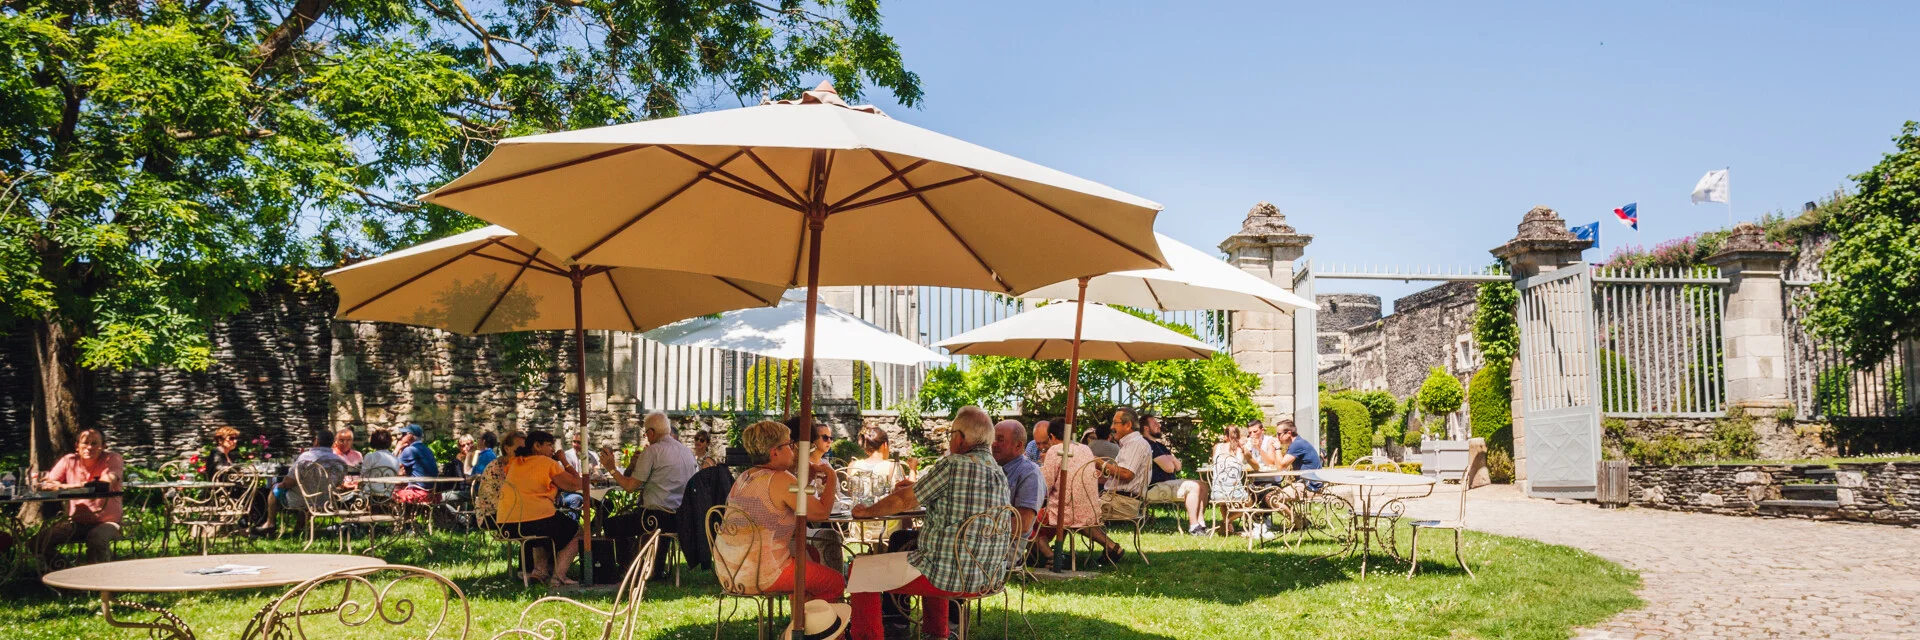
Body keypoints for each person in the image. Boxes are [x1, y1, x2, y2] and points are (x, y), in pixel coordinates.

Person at [847, 407, 1009, 640]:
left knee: (860, 568)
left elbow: (902, 501)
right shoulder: (998, 472)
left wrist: (867, 512)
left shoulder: (953, 464)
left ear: (960, 438)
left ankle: (868, 637)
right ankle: (937, 633)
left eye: (951, 434)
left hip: (947, 577)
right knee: (936, 551)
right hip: (987, 576)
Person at [711, 420, 843, 603]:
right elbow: (821, 513)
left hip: (730, 571)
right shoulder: (780, 478)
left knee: (809, 554)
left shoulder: (745, 476)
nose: (793, 449)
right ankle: (812, 621)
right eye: (789, 444)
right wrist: (832, 476)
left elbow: (782, 503)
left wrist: (804, 481)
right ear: (774, 452)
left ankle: (802, 618)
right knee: (834, 582)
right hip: (762, 574)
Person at [597, 411, 697, 577]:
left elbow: (629, 487)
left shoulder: (653, 451)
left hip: (655, 518)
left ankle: (628, 568)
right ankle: (653, 568)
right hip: (681, 518)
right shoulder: (687, 452)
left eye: (645, 433)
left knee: (612, 525)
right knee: (634, 519)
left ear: (651, 432)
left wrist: (611, 468)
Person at [496, 430, 586, 587]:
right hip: (534, 520)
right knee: (578, 533)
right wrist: (563, 461)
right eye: (549, 445)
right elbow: (577, 484)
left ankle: (539, 572)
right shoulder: (546, 462)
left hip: (507, 524)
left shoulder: (515, 462)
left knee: (544, 529)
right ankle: (558, 577)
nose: (553, 450)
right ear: (537, 446)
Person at [33, 429, 124, 564]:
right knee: (37, 542)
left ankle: (98, 576)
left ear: (104, 446)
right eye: (85, 443)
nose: (89, 447)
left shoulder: (112, 459)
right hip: (76, 523)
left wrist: (64, 487)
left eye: (94, 443)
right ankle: (63, 571)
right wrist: (42, 483)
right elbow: (48, 482)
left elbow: (103, 484)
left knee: (96, 540)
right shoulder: (69, 460)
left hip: (108, 523)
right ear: (77, 446)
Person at [1032, 419, 1102, 568]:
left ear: (1051, 436)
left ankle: (1053, 557)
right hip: (1090, 510)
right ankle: (1042, 554)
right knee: (1048, 512)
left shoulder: (1056, 450)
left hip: (1064, 513)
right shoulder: (1085, 449)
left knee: (1027, 519)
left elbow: (1045, 486)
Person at [264, 429, 353, 533]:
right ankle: (299, 529)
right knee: (307, 494)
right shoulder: (339, 461)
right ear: (332, 443)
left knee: (276, 488)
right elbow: (337, 483)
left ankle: (270, 524)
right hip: (325, 501)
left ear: (316, 441)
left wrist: (281, 484)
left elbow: (289, 482)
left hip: (301, 499)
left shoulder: (306, 457)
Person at [1141, 414, 1210, 535]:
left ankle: (1201, 524)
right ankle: (1194, 526)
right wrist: (1170, 459)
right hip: (1154, 485)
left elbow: (1178, 466)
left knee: (1203, 485)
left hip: (1167, 483)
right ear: (1146, 428)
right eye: (1154, 424)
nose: (1159, 425)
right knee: (1194, 487)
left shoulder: (1160, 446)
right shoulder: (1147, 445)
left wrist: (1169, 459)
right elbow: (1169, 468)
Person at [992, 420, 1045, 538]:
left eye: (1000, 440)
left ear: (1018, 445)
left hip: (1006, 544)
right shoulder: (992, 467)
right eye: (992, 438)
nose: (994, 444)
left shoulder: (1029, 473)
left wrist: (979, 528)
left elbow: (1023, 524)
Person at [1273, 420, 1325, 500]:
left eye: (1279, 434)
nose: (1277, 437)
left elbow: (1281, 466)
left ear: (1289, 433)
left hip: (1309, 487)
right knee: (1270, 495)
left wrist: (1277, 448)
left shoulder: (1297, 444)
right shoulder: (1297, 443)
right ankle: (1287, 509)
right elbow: (1279, 465)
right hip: (1307, 484)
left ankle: (1286, 509)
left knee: (1273, 497)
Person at [393, 424, 439, 504]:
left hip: (417, 493)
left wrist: (397, 448)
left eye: (403, 434)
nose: (401, 438)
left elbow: (392, 467)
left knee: (391, 493)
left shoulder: (410, 450)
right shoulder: (427, 449)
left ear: (410, 436)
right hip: (431, 493)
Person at [360, 430, 402, 500]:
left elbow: (363, 477)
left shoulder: (371, 456)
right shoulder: (395, 459)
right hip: (387, 495)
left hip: (369, 495)